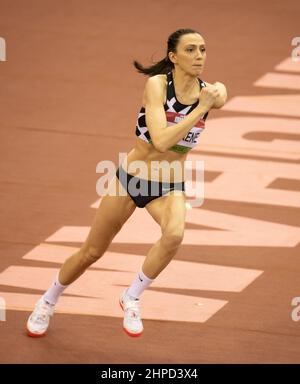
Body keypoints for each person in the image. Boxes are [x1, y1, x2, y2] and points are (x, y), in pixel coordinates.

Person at [26, 28, 227, 338]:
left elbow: (221, 96)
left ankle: (131, 297)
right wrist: (200, 108)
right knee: (92, 252)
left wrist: (212, 98)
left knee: (174, 234)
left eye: (202, 49)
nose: (199, 55)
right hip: (130, 179)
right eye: (190, 50)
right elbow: (160, 140)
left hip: (169, 185)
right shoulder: (157, 86)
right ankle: (47, 300)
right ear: (173, 57)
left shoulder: (213, 91)